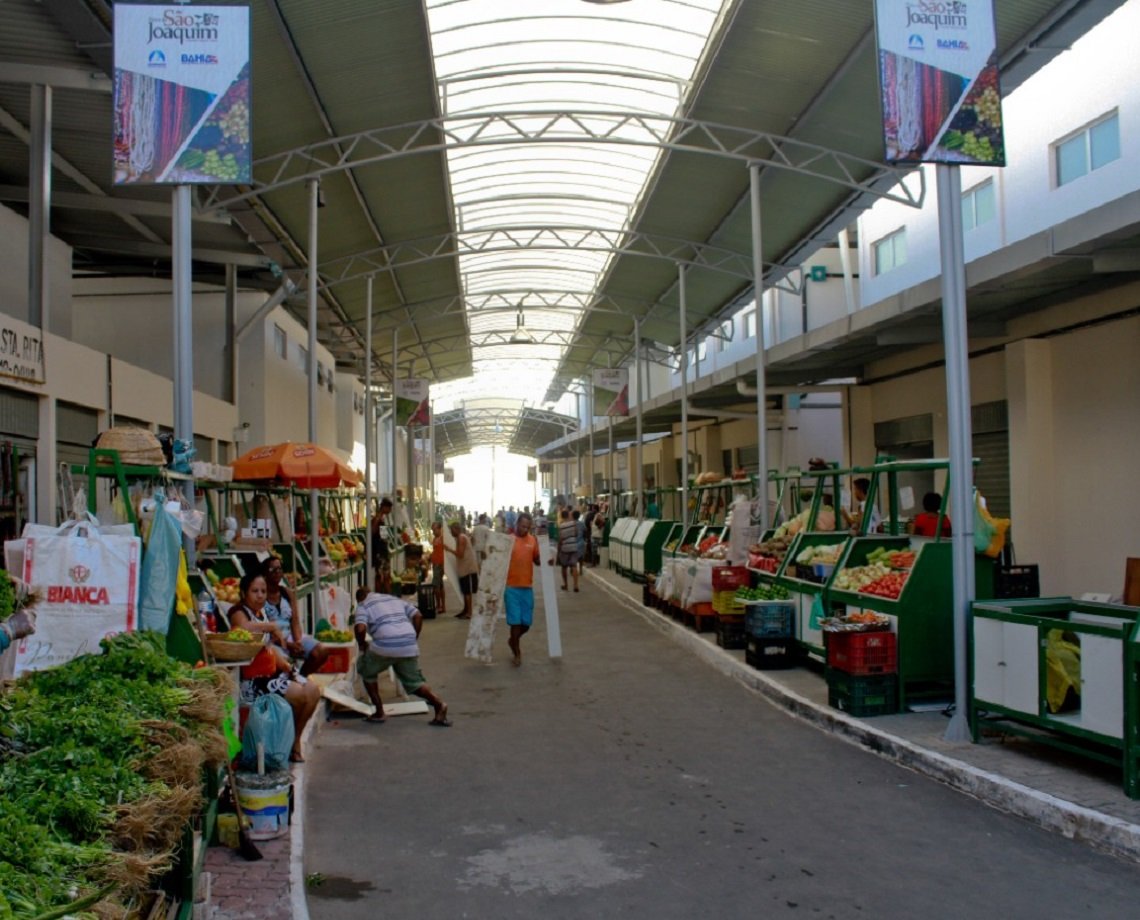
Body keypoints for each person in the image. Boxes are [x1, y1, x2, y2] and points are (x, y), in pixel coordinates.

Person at [228, 571, 320, 763]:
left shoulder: (261, 614)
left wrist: (288, 668)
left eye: (263, 591)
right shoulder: (238, 612)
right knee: (301, 696)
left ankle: (294, 740)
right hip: (254, 680)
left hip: (272, 672)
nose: (260, 595)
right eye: (255, 591)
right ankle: (287, 744)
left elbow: (269, 649)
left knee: (313, 691)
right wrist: (271, 626)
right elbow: (242, 628)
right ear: (244, 593)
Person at [353, 587, 450, 726]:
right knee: (414, 682)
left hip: (385, 645)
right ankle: (439, 704)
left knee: (365, 668)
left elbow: (360, 628)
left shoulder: (363, 605)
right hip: (408, 644)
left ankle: (379, 712)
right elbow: (418, 615)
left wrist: (362, 644)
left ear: (359, 599)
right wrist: (413, 637)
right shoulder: (393, 599)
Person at [264, 559, 331, 676]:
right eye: (272, 569)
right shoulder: (261, 596)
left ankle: (302, 677)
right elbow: (265, 630)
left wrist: (298, 641)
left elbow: (295, 622)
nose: (277, 572)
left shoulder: (287, 594)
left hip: (289, 636)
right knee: (284, 662)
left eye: (280, 569)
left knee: (321, 651)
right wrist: (287, 645)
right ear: (264, 573)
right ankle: (292, 682)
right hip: (271, 641)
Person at [506, 512, 542, 667]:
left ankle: (512, 641)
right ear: (517, 524)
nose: (525, 529)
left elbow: (537, 560)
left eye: (527, 527)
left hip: (527, 588)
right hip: (511, 588)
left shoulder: (533, 540)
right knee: (515, 623)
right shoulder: (508, 541)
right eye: (522, 526)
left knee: (526, 624)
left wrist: (547, 559)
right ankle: (517, 653)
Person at [445, 520, 479, 619]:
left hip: (467, 569)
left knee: (467, 592)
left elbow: (460, 554)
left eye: (452, 530)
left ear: (456, 529)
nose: (451, 533)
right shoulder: (461, 537)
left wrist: (449, 549)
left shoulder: (461, 538)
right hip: (465, 568)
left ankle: (469, 612)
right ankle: (466, 610)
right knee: (465, 591)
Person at [371, 497, 394, 593]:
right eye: (389, 508)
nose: (390, 510)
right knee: (382, 577)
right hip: (379, 553)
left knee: (385, 576)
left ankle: (386, 596)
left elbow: (384, 535)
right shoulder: (378, 518)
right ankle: (385, 596)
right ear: (384, 507)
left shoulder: (382, 518)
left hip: (383, 552)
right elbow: (372, 531)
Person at [556, 507, 580, 592]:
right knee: (574, 566)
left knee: (564, 567)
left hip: (565, 548)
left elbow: (560, 538)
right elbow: (576, 534)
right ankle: (575, 585)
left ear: (562, 517)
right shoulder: (573, 523)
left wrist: (559, 549)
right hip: (573, 546)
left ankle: (566, 585)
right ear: (568, 515)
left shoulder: (561, 526)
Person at [430, 521, 447, 616]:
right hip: (435, 564)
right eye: (432, 530)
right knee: (439, 586)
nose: (433, 531)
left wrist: (444, 565)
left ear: (439, 528)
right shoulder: (435, 539)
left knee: (437, 586)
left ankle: (441, 605)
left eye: (434, 529)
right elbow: (435, 551)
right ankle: (440, 605)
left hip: (440, 564)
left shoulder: (443, 538)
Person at [573, 509, 586, 576]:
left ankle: (573, 569)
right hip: (580, 542)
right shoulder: (581, 523)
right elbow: (585, 531)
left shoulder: (571, 524)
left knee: (573, 557)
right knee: (581, 557)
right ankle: (580, 569)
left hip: (572, 543)